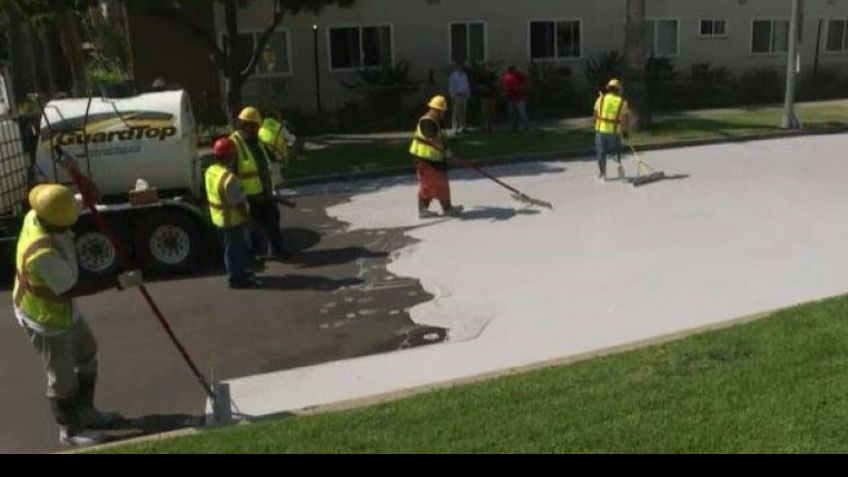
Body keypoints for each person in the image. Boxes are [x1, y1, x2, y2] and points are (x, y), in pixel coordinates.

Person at [13, 180, 143, 447]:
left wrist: (78, 172)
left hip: (61, 308)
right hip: (46, 317)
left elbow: (92, 195)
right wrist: (118, 282)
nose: (71, 225)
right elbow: (69, 289)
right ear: (54, 223)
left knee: (86, 352)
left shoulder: (43, 211)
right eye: (67, 223)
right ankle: (70, 430)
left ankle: (86, 412)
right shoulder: (42, 253)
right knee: (62, 378)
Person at [229, 107, 287, 260]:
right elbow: (232, 173)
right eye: (254, 126)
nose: (257, 129)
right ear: (243, 125)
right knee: (254, 228)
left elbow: (265, 162)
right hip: (249, 196)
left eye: (257, 125)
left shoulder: (257, 140)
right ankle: (254, 255)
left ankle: (277, 250)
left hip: (265, 191)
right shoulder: (234, 143)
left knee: (273, 219)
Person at [206, 138, 261, 288]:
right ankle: (236, 279)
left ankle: (239, 273)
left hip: (218, 219)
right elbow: (239, 203)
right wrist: (247, 219)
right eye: (233, 155)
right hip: (232, 220)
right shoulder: (230, 179)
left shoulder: (211, 171)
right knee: (235, 250)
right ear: (230, 156)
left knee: (230, 249)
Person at [409, 95, 463, 219]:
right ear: (437, 110)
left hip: (432, 158)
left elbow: (439, 138)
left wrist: (446, 150)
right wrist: (445, 150)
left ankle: (441, 209)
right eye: (442, 111)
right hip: (425, 159)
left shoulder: (434, 120)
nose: (443, 113)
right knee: (433, 184)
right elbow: (432, 139)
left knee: (433, 184)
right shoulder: (427, 121)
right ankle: (445, 209)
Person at [593, 78, 631, 182]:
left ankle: (603, 175)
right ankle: (618, 165)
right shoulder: (622, 102)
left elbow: (595, 115)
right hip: (615, 132)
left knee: (601, 153)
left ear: (609, 89)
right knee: (616, 151)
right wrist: (625, 132)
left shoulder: (600, 99)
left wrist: (596, 124)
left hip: (601, 130)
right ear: (619, 89)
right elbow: (625, 119)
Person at [502, 66, 529, 132]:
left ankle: (525, 126)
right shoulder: (507, 77)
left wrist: (519, 88)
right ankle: (514, 127)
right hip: (511, 98)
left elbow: (525, 82)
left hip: (520, 98)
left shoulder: (519, 76)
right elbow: (505, 87)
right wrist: (510, 89)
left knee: (521, 113)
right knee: (513, 113)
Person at [449, 63, 471, 135]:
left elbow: (467, 85)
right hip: (457, 95)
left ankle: (463, 127)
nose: (460, 68)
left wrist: (468, 94)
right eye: (459, 67)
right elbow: (451, 86)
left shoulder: (465, 75)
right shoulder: (453, 76)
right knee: (456, 112)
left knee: (463, 112)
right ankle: (455, 127)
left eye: (461, 67)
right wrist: (452, 96)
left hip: (464, 95)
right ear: (456, 67)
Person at [478, 63, 497, 134]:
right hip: (484, 96)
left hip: (492, 95)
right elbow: (478, 85)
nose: (488, 68)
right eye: (486, 67)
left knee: (491, 112)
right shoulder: (481, 76)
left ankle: (490, 126)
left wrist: (495, 84)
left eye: (489, 67)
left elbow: (496, 83)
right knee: (484, 112)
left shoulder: (493, 75)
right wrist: (483, 87)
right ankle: (484, 126)